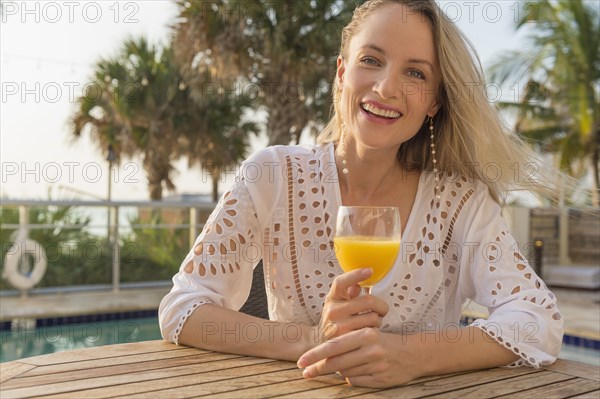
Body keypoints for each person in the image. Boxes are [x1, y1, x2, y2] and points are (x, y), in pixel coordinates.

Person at [159, 0, 565, 388]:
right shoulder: (272, 174)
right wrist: (315, 340)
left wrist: (409, 355)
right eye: (371, 60)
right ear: (341, 73)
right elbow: (184, 309)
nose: (386, 87)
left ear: (435, 102)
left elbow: (538, 321)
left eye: (416, 74)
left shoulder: (462, 203)